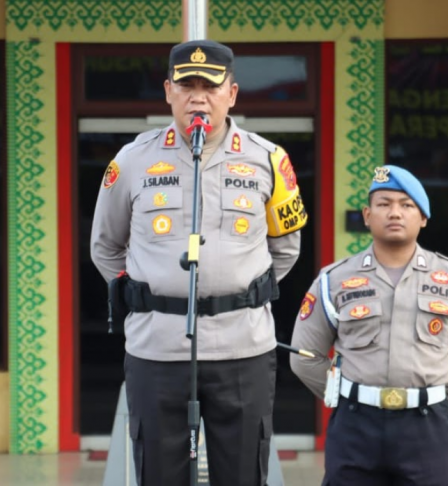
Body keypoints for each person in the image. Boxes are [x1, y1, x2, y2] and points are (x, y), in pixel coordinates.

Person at [91, 39, 308, 485]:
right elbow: (105, 247)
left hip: (243, 350)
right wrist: (150, 294)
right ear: (168, 91)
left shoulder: (269, 160)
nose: (198, 97)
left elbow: (285, 250)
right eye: (186, 85)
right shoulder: (132, 161)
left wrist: (235, 293)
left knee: (242, 475)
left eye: (210, 86)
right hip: (157, 350)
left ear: (231, 93)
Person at [290, 165, 448, 486]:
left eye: (407, 205)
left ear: (423, 218)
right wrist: (348, 398)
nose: (395, 213)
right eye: (384, 204)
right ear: (367, 215)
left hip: (427, 429)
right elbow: (305, 356)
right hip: (355, 427)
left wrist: (439, 400)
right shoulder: (333, 279)